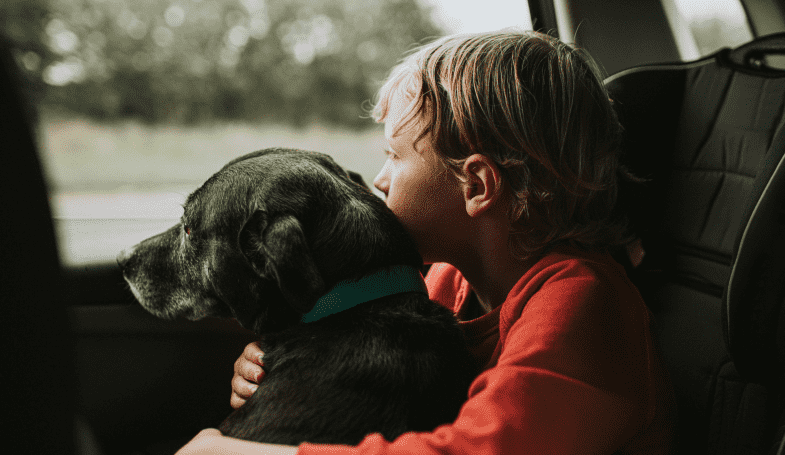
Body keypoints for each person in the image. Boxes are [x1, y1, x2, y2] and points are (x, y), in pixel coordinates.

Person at [176, 30, 676, 455]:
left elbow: (477, 450)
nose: (379, 179)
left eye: (395, 155)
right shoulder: (447, 278)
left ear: (477, 186)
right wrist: (283, 363)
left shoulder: (582, 300)